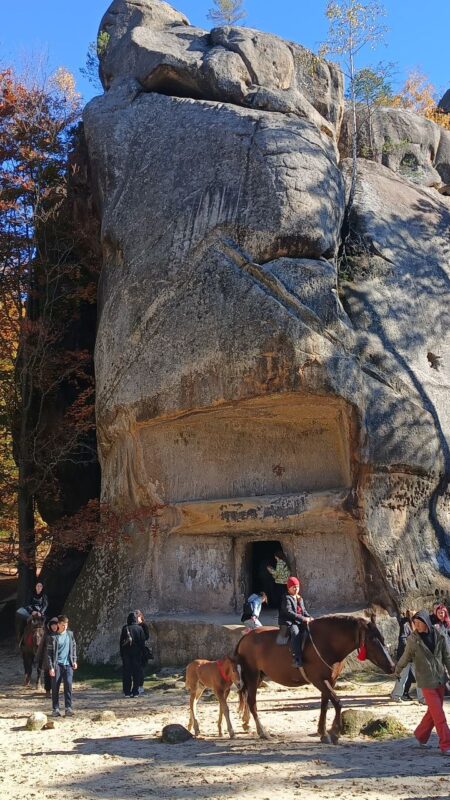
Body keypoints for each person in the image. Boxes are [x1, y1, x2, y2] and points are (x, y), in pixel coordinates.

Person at [395, 609, 450, 754]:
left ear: (426, 622)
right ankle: (446, 745)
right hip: (426, 681)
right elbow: (405, 657)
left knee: (433, 713)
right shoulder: (412, 640)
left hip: (440, 679)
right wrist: (396, 670)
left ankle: (420, 735)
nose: (417, 626)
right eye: (415, 623)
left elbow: (447, 657)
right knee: (439, 715)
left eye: (419, 623)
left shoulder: (440, 635)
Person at [278, 576, 313, 668]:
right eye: (293, 587)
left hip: (298, 621)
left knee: (310, 630)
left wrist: (309, 617)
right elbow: (289, 612)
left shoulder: (299, 598)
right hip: (288, 622)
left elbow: (304, 611)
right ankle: (296, 658)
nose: (296, 588)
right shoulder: (287, 598)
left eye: (297, 586)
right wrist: (303, 619)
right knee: (295, 632)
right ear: (288, 588)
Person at [47, 615, 77, 717]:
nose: (65, 627)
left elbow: (73, 647)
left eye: (66, 625)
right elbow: (49, 654)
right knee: (55, 687)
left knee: (68, 685)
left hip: (68, 664)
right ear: (58, 624)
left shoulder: (70, 634)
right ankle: (55, 709)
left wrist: (74, 660)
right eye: (63, 625)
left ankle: (68, 708)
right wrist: (51, 667)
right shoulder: (52, 637)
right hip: (57, 665)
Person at [120, 611, 146, 698]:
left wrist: (122, 655)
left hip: (127, 655)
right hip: (137, 654)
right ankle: (135, 691)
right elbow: (142, 642)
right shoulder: (139, 629)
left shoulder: (125, 628)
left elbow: (121, 643)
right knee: (136, 674)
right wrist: (143, 654)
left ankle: (127, 692)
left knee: (127, 674)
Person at [391, 610, 415, 702]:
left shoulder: (414, 625)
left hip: (415, 656)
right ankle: (396, 695)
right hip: (406, 655)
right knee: (403, 676)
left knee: (419, 676)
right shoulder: (405, 625)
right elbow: (403, 639)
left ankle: (423, 697)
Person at [36, 616, 59, 698]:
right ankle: (48, 690)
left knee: (56, 676)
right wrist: (38, 656)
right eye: (52, 625)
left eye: (55, 625)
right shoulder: (46, 635)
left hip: (57, 659)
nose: (54, 626)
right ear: (50, 626)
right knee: (47, 675)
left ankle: (55, 690)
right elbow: (41, 646)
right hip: (47, 658)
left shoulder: (60, 635)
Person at [135, 609, 151, 695]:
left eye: (138, 616)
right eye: (135, 617)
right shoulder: (131, 626)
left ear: (141, 616)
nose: (137, 618)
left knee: (140, 669)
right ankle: (135, 686)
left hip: (141, 650)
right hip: (133, 650)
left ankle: (140, 686)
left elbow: (146, 636)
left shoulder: (144, 625)